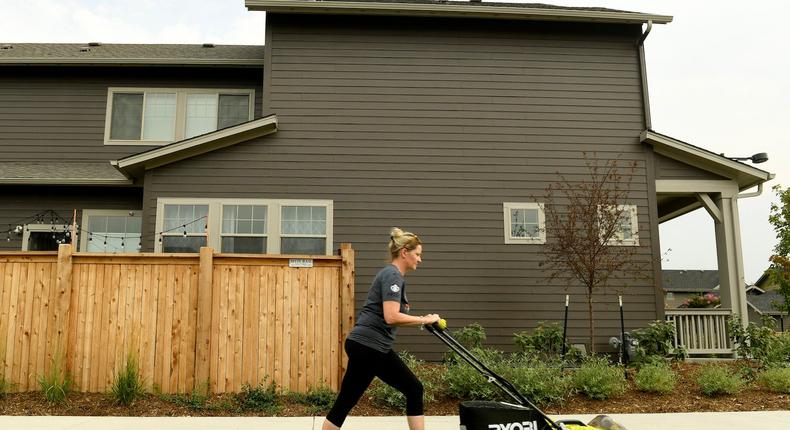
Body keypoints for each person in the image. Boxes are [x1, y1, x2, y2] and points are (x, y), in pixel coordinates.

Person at [323, 227, 441, 430]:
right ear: (405, 252)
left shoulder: (392, 276)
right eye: (417, 254)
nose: (419, 260)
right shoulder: (392, 276)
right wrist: (424, 320)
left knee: (346, 400)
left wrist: (423, 320)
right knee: (414, 388)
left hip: (366, 345)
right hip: (370, 346)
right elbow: (391, 316)